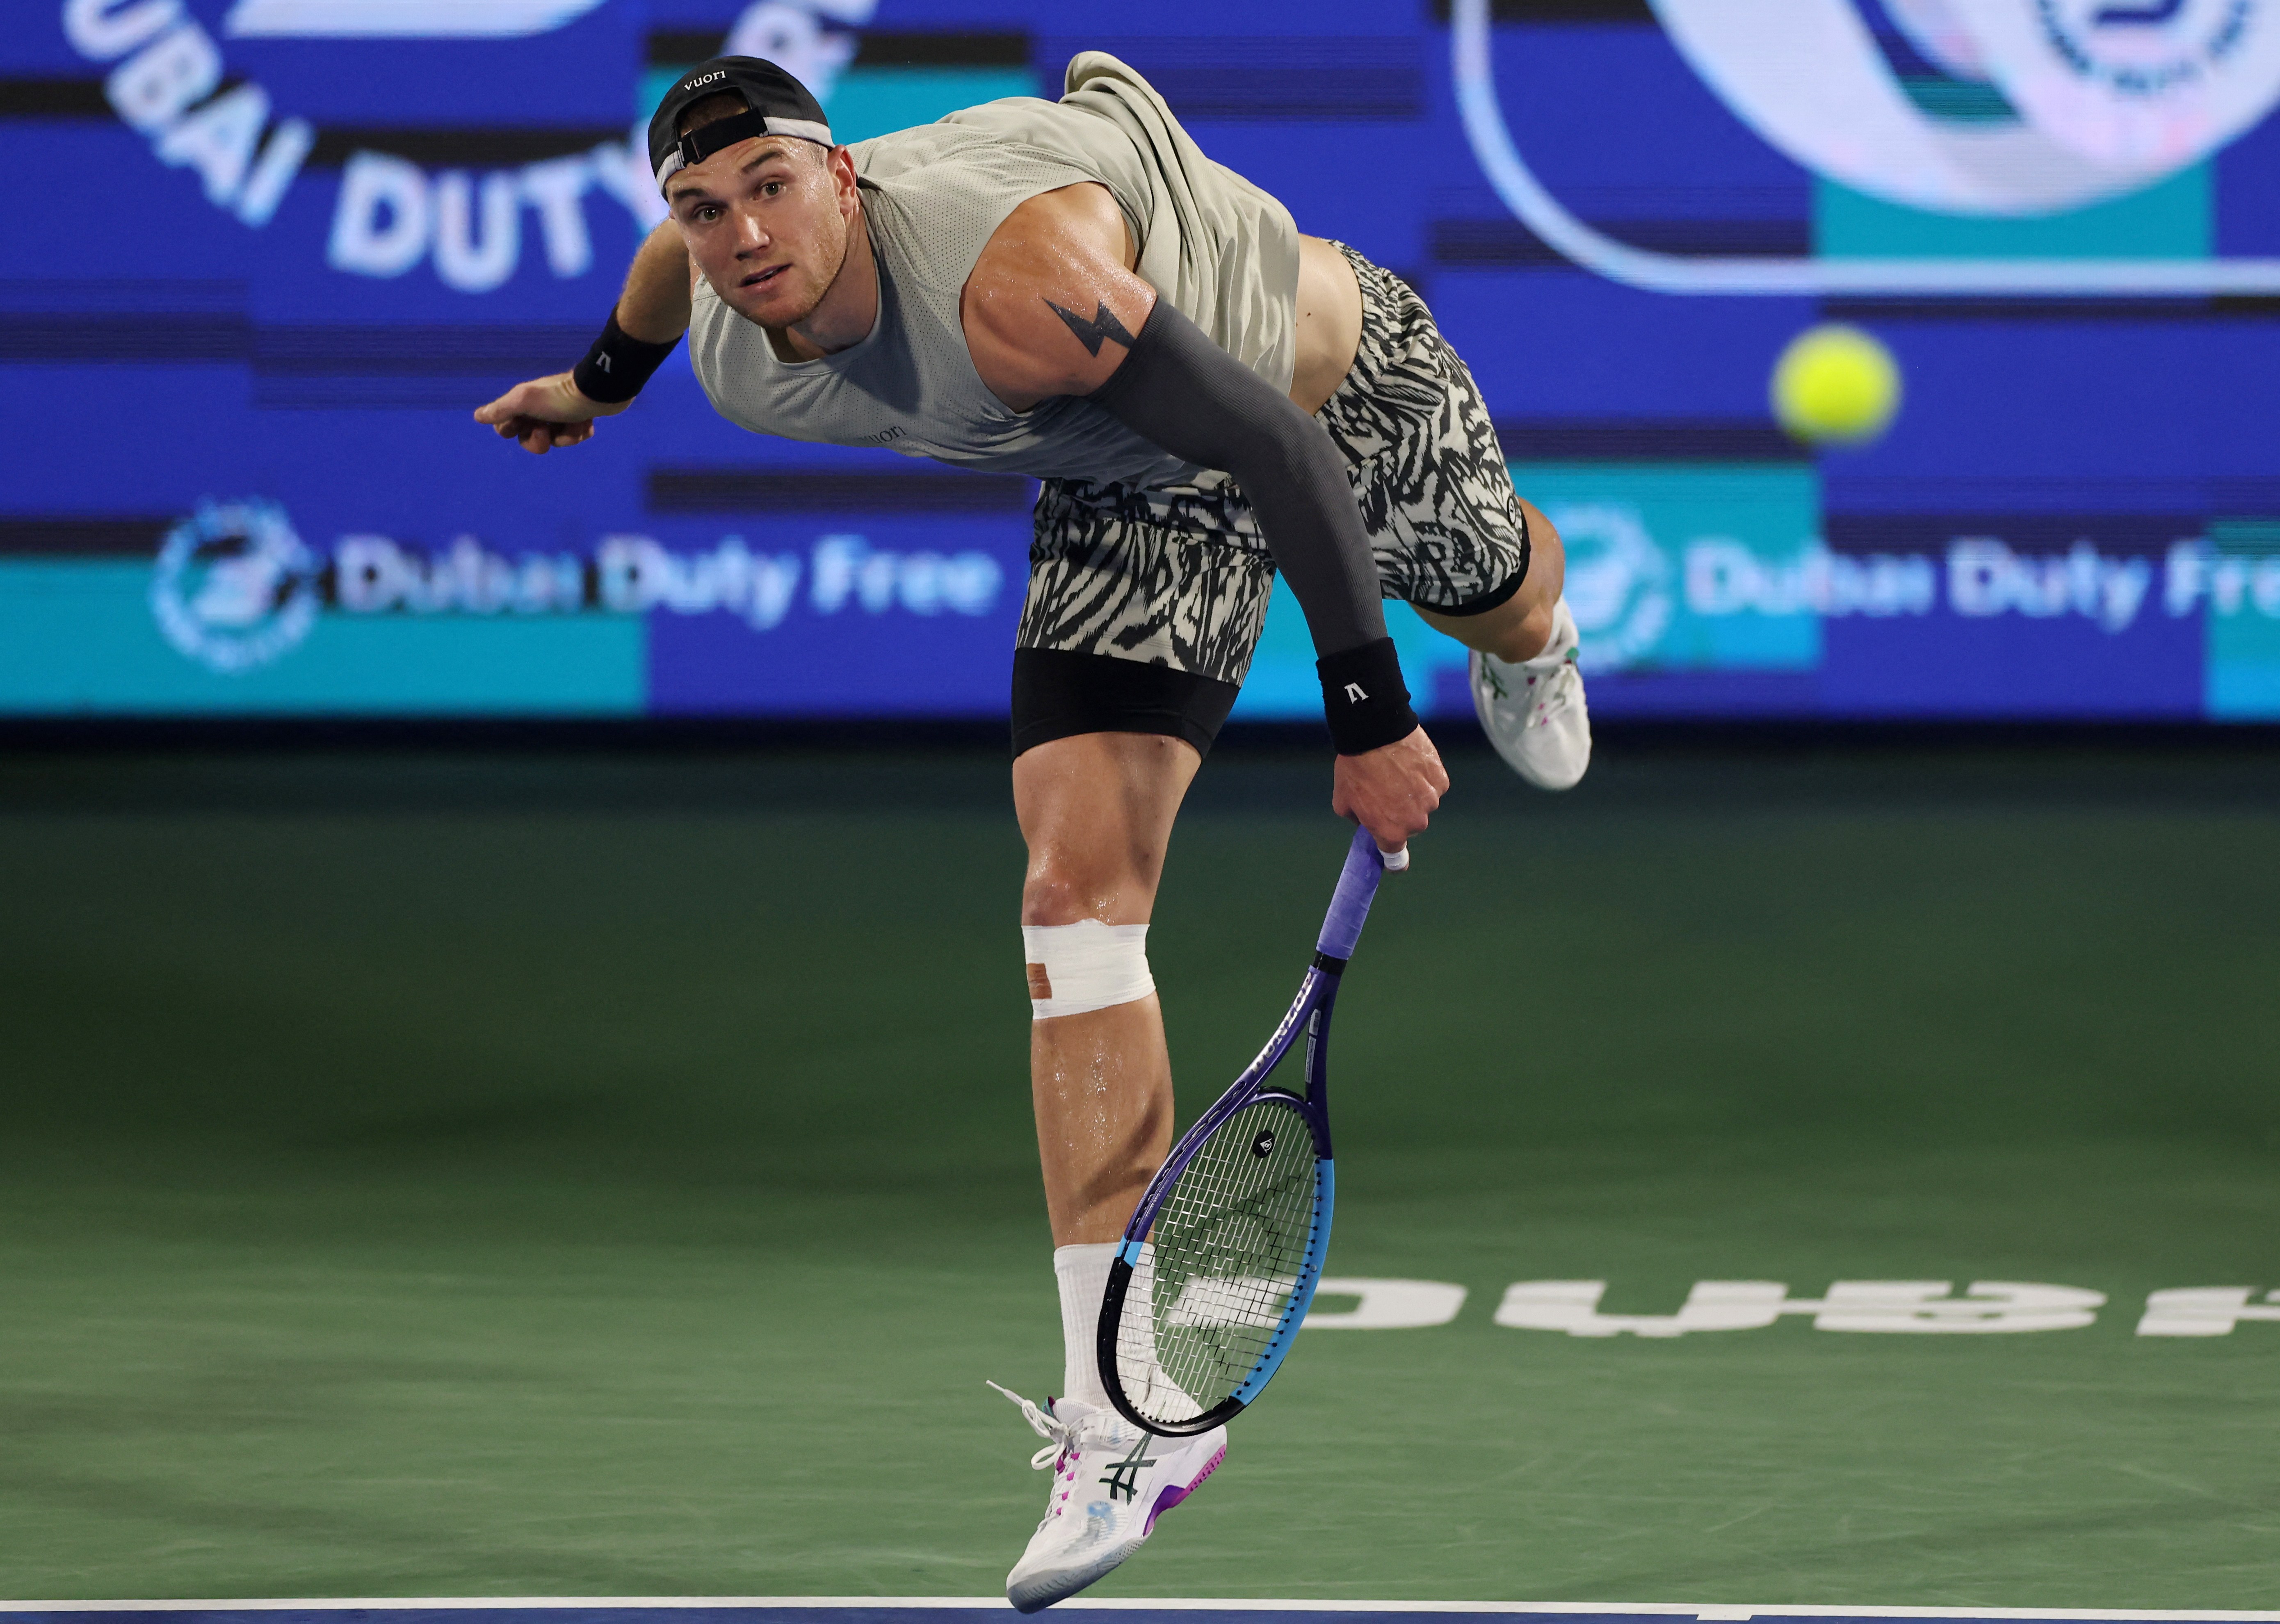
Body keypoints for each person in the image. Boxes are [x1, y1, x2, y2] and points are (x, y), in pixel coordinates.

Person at [474, 51, 1590, 1610]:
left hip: (1314, 386)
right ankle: (1124, 1417)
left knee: (1493, 581)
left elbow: (1268, 445)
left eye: (771, 187)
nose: (738, 234)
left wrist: (1369, 716)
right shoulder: (727, 305)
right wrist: (596, 384)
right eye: (704, 203)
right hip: (1120, 480)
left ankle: (1532, 633)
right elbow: (664, 276)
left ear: (843, 175)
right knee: (1071, 898)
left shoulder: (1016, 288)